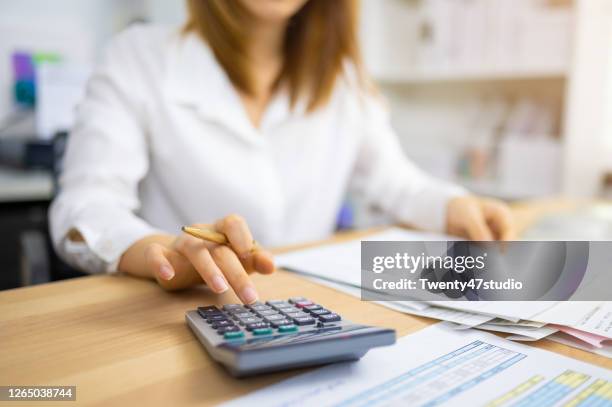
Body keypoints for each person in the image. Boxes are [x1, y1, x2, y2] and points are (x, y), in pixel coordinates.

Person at [50, 0, 515, 304]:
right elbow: (86, 206)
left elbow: (394, 180)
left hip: (309, 310)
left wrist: (452, 204)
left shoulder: (343, 77)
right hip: (181, 317)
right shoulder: (139, 56)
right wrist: (161, 251)